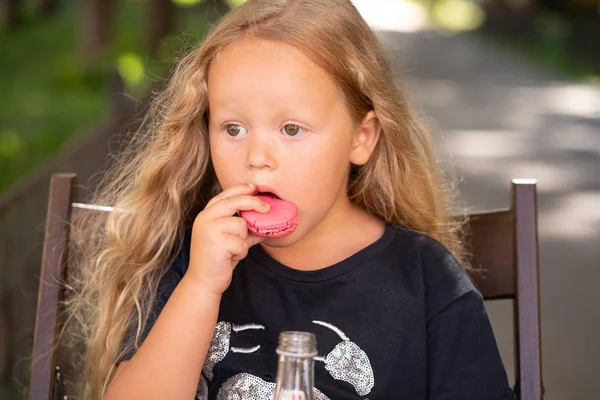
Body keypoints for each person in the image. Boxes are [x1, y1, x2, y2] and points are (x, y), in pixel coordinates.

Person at [66, 0, 515, 399]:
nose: (257, 158)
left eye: (291, 129)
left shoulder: (426, 280)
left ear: (361, 138)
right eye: (233, 128)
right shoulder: (186, 261)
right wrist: (202, 287)